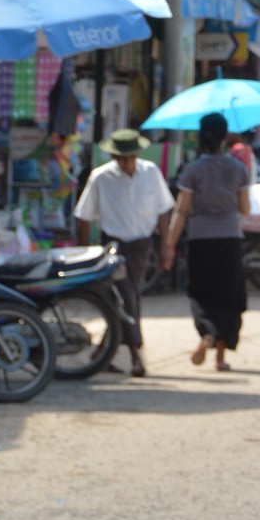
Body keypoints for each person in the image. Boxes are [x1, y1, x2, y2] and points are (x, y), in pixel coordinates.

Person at [73, 126, 174, 378]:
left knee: (125, 298)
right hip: (113, 246)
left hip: (142, 245)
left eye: (131, 157)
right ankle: (135, 354)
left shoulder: (150, 173)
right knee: (127, 296)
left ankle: (100, 354)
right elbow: (83, 217)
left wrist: (165, 245)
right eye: (123, 157)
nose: (127, 162)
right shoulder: (100, 177)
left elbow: (163, 211)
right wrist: (84, 251)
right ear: (114, 157)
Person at [164, 112, 250, 371]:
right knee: (229, 295)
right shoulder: (238, 169)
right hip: (230, 239)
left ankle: (207, 334)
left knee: (202, 294)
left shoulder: (192, 170)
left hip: (200, 239)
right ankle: (221, 358)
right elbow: (244, 209)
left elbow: (181, 211)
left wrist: (168, 245)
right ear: (225, 137)